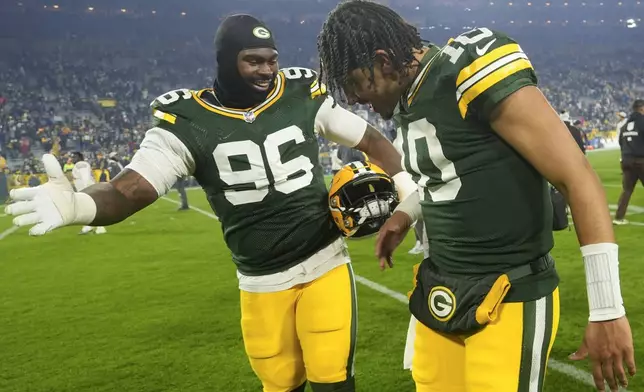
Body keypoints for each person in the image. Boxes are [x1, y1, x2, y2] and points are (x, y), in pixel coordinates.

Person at [6, 14, 417, 392]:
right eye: (253, 61)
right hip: (260, 278)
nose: (267, 70)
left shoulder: (300, 92)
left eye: (271, 60)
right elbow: (128, 190)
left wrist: (404, 189)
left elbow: (372, 140)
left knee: (333, 378)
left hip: (325, 260)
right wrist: (79, 205)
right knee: (279, 383)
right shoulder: (187, 120)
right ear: (224, 61)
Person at [317, 2, 635, 392]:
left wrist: (607, 310)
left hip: (508, 290)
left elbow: (577, 177)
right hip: (442, 287)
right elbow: (447, 175)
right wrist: (404, 214)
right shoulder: (405, 95)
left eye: (355, 84)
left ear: (384, 61)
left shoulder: (467, 68)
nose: (354, 99)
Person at [614, 99, 644, 225]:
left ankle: (618, 217)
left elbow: (621, 142)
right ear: (642, 109)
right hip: (641, 161)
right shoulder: (642, 122)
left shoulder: (625, 124)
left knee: (627, 190)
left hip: (626, 161)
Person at [71, 152, 107, 235]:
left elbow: (85, 177)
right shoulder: (83, 164)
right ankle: (89, 226)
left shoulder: (80, 164)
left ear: (79, 158)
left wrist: (86, 190)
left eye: (74, 157)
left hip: (87, 190)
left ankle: (100, 227)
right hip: (88, 190)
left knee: (92, 209)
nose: (72, 159)